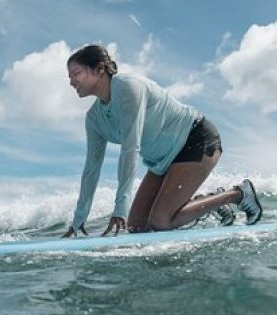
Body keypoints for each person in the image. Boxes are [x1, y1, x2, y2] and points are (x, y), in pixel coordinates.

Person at [62, 44, 262, 238]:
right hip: (162, 162)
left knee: (161, 221)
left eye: (76, 73)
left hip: (195, 139)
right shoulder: (94, 119)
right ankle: (209, 202)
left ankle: (237, 194)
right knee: (136, 226)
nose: (71, 81)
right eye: (69, 76)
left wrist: (120, 209)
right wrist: (79, 220)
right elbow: (91, 169)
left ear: (99, 69)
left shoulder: (128, 86)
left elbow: (131, 148)